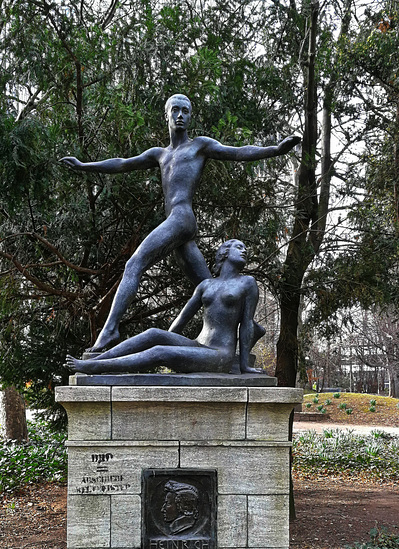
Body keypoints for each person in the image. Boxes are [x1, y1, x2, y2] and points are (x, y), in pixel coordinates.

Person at [61, 94, 300, 352]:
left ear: (190, 116)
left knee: (134, 263)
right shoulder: (159, 154)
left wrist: (274, 150)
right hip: (178, 227)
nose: (180, 116)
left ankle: (110, 331)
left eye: (185, 111)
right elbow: (122, 164)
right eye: (175, 110)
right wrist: (85, 165)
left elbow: (237, 152)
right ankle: (253, 328)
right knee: (211, 289)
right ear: (167, 115)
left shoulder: (199, 146)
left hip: (182, 218)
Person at [65, 239, 263, 375]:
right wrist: (169, 337)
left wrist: (244, 366)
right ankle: (97, 361)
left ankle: (93, 368)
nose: (244, 250)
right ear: (224, 253)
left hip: (219, 355)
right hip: (198, 344)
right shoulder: (206, 285)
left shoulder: (247, 283)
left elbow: (247, 325)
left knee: (160, 351)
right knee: (153, 333)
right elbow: (183, 317)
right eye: (239, 247)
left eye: (244, 248)